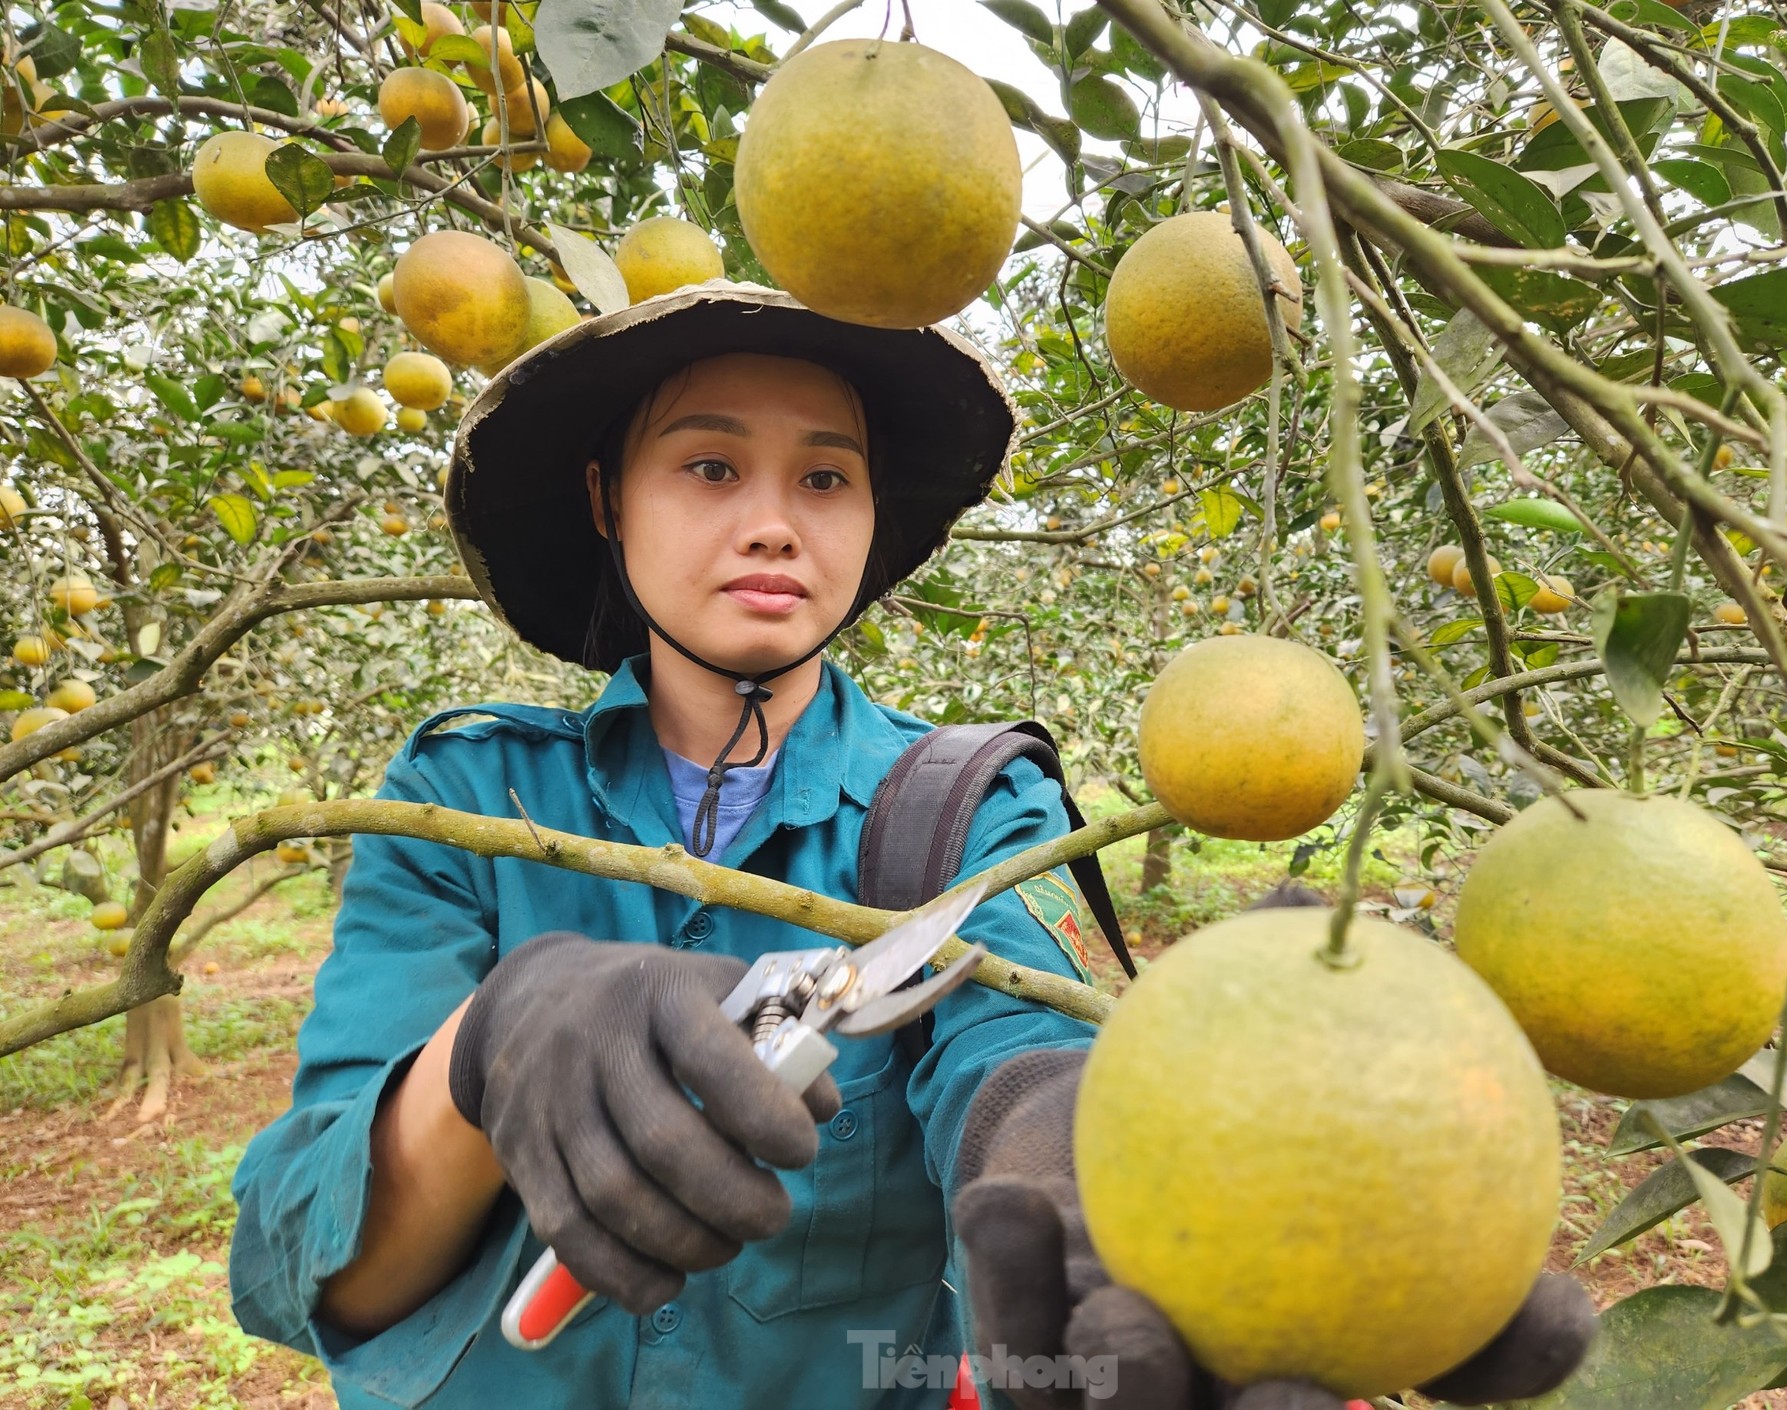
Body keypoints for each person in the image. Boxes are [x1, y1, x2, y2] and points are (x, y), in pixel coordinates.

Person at [228, 281, 1592, 1409]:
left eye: (825, 476)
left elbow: (1010, 1040)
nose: (774, 521)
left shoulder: (959, 809)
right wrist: (485, 1053)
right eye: (710, 466)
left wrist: (1077, 1166)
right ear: (606, 497)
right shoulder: (469, 795)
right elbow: (299, 1264)